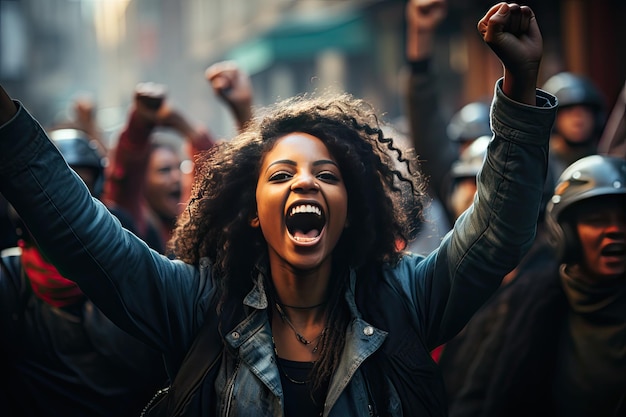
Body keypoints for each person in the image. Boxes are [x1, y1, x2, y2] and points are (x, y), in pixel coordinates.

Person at [0, 3, 557, 416]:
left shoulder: (405, 298)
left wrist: (522, 87)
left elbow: (495, 236)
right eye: (283, 174)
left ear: (352, 208)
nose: (305, 184)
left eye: (327, 175)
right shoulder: (196, 305)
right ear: (251, 210)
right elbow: (79, 231)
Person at [440, 154, 626, 417]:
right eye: (597, 219)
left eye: (624, 218)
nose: (615, 230)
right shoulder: (526, 303)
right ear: (566, 233)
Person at [0, 128, 168, 417]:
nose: (62, 212)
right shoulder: (11, 276)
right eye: (48, 198)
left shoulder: (124, 265)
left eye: (78, 194)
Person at [541, 71, 606, 175]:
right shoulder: (540, 164)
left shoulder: (605, 159)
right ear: (554, 118)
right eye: (569, 111)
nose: (578, 120)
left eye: (585, 111)